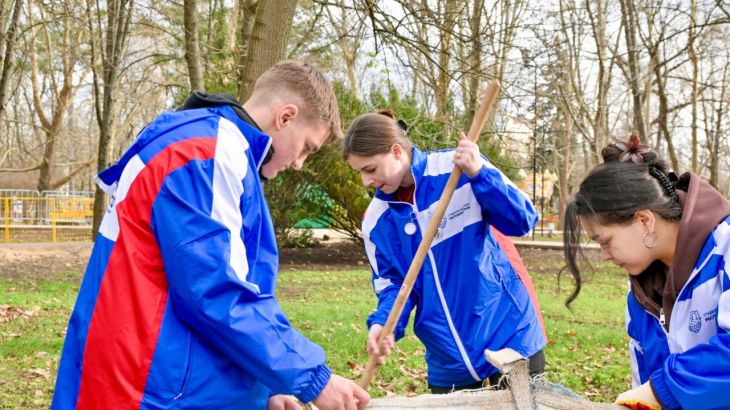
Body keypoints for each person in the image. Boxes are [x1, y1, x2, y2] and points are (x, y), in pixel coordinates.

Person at [51, 61, 370, 410]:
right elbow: (216, 290)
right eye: (307, 147)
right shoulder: (207, 154)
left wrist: (268, 384)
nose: (299, 163)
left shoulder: (207, 148)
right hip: (146, 386)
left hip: (145, 374)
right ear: (285, 117)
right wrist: (313, 379)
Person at [342, 110, 547, 393]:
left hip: (507, 332)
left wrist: (480, 173)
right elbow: (394, 286)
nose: (366, 181)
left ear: (397, 152)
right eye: (360, 172)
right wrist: (383, 324)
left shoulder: (457, 169)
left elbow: (522, 220)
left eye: (370, 169)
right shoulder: (376, 220)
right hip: (448, 356)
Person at [563, 135, 730, 410]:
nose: (604, 255)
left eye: (605, 241)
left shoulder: (724, 249)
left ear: (644, 221)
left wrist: (664, 388)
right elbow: (642, 382)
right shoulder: (641, 293)